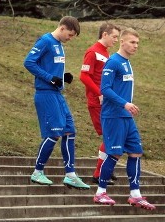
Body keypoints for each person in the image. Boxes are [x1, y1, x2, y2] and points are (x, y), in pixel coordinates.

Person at [23, 16, 89, 189]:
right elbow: (29, 62)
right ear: (62, 28)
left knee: (69, 130)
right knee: (54, 132)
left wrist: (62, 77)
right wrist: (49, 78)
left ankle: (70, 174)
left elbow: (50, 67)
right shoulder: (45, 41)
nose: (70, 38)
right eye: (70, 34)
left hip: (57, 93)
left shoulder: (59, 45)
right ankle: (37, 172)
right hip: (45, 94)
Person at [93, 28, 155, 210]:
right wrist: (124, 104)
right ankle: (100, 192)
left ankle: (135, 194)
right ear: (122, 42)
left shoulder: (127, 63)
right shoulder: (113, 62)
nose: (136, 46)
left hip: (126, 117)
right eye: (132, 42)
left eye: (137, 43)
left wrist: (127, 107)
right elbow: (105, 89)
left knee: (136, 151)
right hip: (113, 115)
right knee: (114, 153)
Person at [79, 23, 120, 184]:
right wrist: (100, 93)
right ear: (104, 34)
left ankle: (106, 169)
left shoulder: (106, 53)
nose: (116, 40)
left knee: (113, 135)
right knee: (110, 135)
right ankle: (99, 173)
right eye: (114, 36)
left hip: (107, 102)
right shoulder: (93, 51)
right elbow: (84, 76)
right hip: (97, 102)